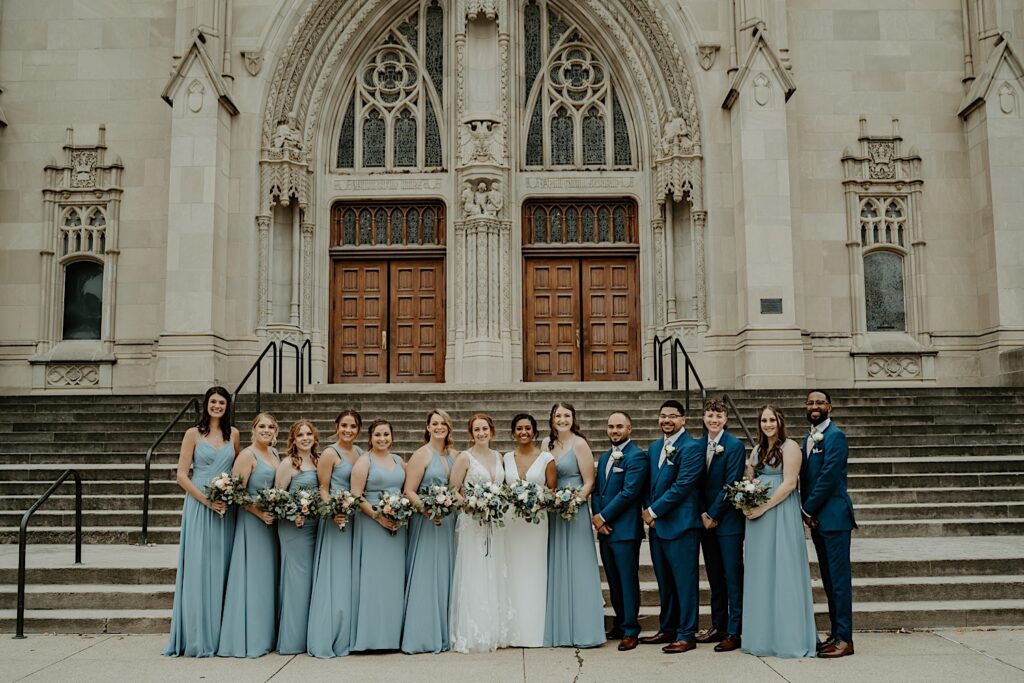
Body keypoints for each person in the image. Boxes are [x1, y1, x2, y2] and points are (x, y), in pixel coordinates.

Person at [164, 386, 240, 657]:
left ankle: (221, 634)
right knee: (199, 567)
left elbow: (237, 472)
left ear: (227, 406)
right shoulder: (192, 434)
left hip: (226, 509)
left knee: (222, 567)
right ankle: (197, 636)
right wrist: (207, 501)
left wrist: (230, 495)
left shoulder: (234, 435)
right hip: (199, 504)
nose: (217, 406)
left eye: (221, 402)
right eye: (213, 401)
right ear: (206, 404)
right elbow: (182, 476)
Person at [741, 405, 817, 658]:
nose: (767, 424)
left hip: (780, 511)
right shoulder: (757, 449)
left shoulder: (790, 447)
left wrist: (763, 506)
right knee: (761, 572)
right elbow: (750, 478)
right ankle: (762, 637)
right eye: (763, 420)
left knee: (783, 569)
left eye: (772, 419)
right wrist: (745, 497)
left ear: (780, 421)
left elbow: (789, 483)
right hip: (757, 519)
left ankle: (788, 638)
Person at [542, 403, 605, 649]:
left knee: (578, 566)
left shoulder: (579, 443)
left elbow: (590, 481)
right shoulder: (546, 444)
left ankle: (584, 630)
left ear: (573, 418)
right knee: (556, 564)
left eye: (566, 415)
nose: (562, 419)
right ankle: (560, 629)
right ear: (552, 419)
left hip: (574, 511)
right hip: (554, 512)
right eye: (558, 415)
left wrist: (573, 501)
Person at [218, 412, 280, 658]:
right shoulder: (247, 455)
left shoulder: (274, 454)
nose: (266, 430)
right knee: (252, 578)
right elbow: (237, 494)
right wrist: (259, 513)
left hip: (270, 523)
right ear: (253, 429)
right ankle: (248, 637)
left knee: (267, 579)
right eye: (262, 426)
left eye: (271, 427)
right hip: (252, 524)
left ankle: (266, 635)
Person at [801, 390, 857, 658]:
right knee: (828, 579)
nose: (814, 406)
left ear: (829, 407)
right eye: (810, 402)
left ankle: (845, 639)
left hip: (834, 518)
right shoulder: (808, 437)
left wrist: (806, 507)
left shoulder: (836, 437)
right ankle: (835, 634)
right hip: (818, 521)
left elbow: (828, 477)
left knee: (839, 581)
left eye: (819, 402)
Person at [449, 414, 511, 653]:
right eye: (477, 429)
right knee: (474, 572)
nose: (481, 433)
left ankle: (495, 629)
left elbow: (503, 488)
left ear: (492, 431)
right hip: (473, 522)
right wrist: (471, 505)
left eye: (485, 428)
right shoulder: (465, 458)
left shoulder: (499, 457)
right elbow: (453, 490)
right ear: (471, 433)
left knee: (494, 571)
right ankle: (473, 631)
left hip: (495, 522)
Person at [307, 409, 363, 658]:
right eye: (344, 426)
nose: (348, 430)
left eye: (353, 426)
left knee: (351, 576)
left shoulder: (361, 453)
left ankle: (350, 634)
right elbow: (323, 487)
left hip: (356, 520)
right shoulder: (330, 453)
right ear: (337, 426)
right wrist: (332, 512)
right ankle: (328, 635)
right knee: (335, 576)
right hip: (336, 519)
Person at [401, 409, 458, 654]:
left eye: (443, 423)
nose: (439, 427)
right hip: (427, 522)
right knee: (427, 574)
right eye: (435, 423)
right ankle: (423, 634)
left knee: (447, 573)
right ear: (427, 427)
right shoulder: (421, 455)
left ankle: (446, 631)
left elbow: (457, 488)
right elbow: (409, 491)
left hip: (450, 522)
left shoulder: (455, 455)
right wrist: (428, 511)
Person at [591, 411, 647, 651]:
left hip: (624, 530)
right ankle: (619, 623)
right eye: (611, 426)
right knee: (613, 580)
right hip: (606, 531)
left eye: (619, 426)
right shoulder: (604, 457)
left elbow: (629, 493)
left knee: (627, 580)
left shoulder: (636, 457)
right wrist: (598, 520)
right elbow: (597, 490)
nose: (614, 430)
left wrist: (603, 516)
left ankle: (631, 629)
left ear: (629, 429)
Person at [350, 418, 407, 651]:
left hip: (397, 525)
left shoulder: (398, 460)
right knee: (373, 579)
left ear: (392, 436)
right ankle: (371, 637)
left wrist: (400, 512)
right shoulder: (364, 461)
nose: (382, 439)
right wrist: (378, 516)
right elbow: (355, 494)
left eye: (386, 434)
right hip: (372, 524)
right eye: (377, 435)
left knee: (393, 580)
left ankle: (392, 636)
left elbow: (406, 489)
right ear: (370, 438)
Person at [695, 399, 747, 653]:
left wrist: (713, 513)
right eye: (710, 415)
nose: (713, 420)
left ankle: (735, 631)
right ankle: (719, 625)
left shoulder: (734, 446)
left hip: (728, 523)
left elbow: (732, 483)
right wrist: (703, 515)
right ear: (704, 417)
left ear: (726, 419)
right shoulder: (698, 445)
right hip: (705, 522)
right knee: (715, 578)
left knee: (732, 577)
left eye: (718, 416)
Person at [503, 413, 556, 647]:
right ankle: (513, 629)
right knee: (512, 570)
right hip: (512, 523)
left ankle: (534, 630)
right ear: (513, 432)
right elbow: (503, 489)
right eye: (518, 429)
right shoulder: (505, 458)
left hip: (536, 521)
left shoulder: (546, 458)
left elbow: (552, 492)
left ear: (534, 432)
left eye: (527, 428)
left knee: (534, 570)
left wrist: (535, 504)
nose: (523, 432)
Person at [275, 419, 320, 655]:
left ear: (314, 437)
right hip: (295, 529)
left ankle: (310, 634)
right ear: (293, 439)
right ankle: (292, 640)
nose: (305, 438)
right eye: (300, 434)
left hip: (316, 527)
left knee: (313, 580)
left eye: (308, 434)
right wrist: (293, 515)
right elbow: (278, 498)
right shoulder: (287, 464)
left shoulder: (318, 461)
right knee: (296, 581)